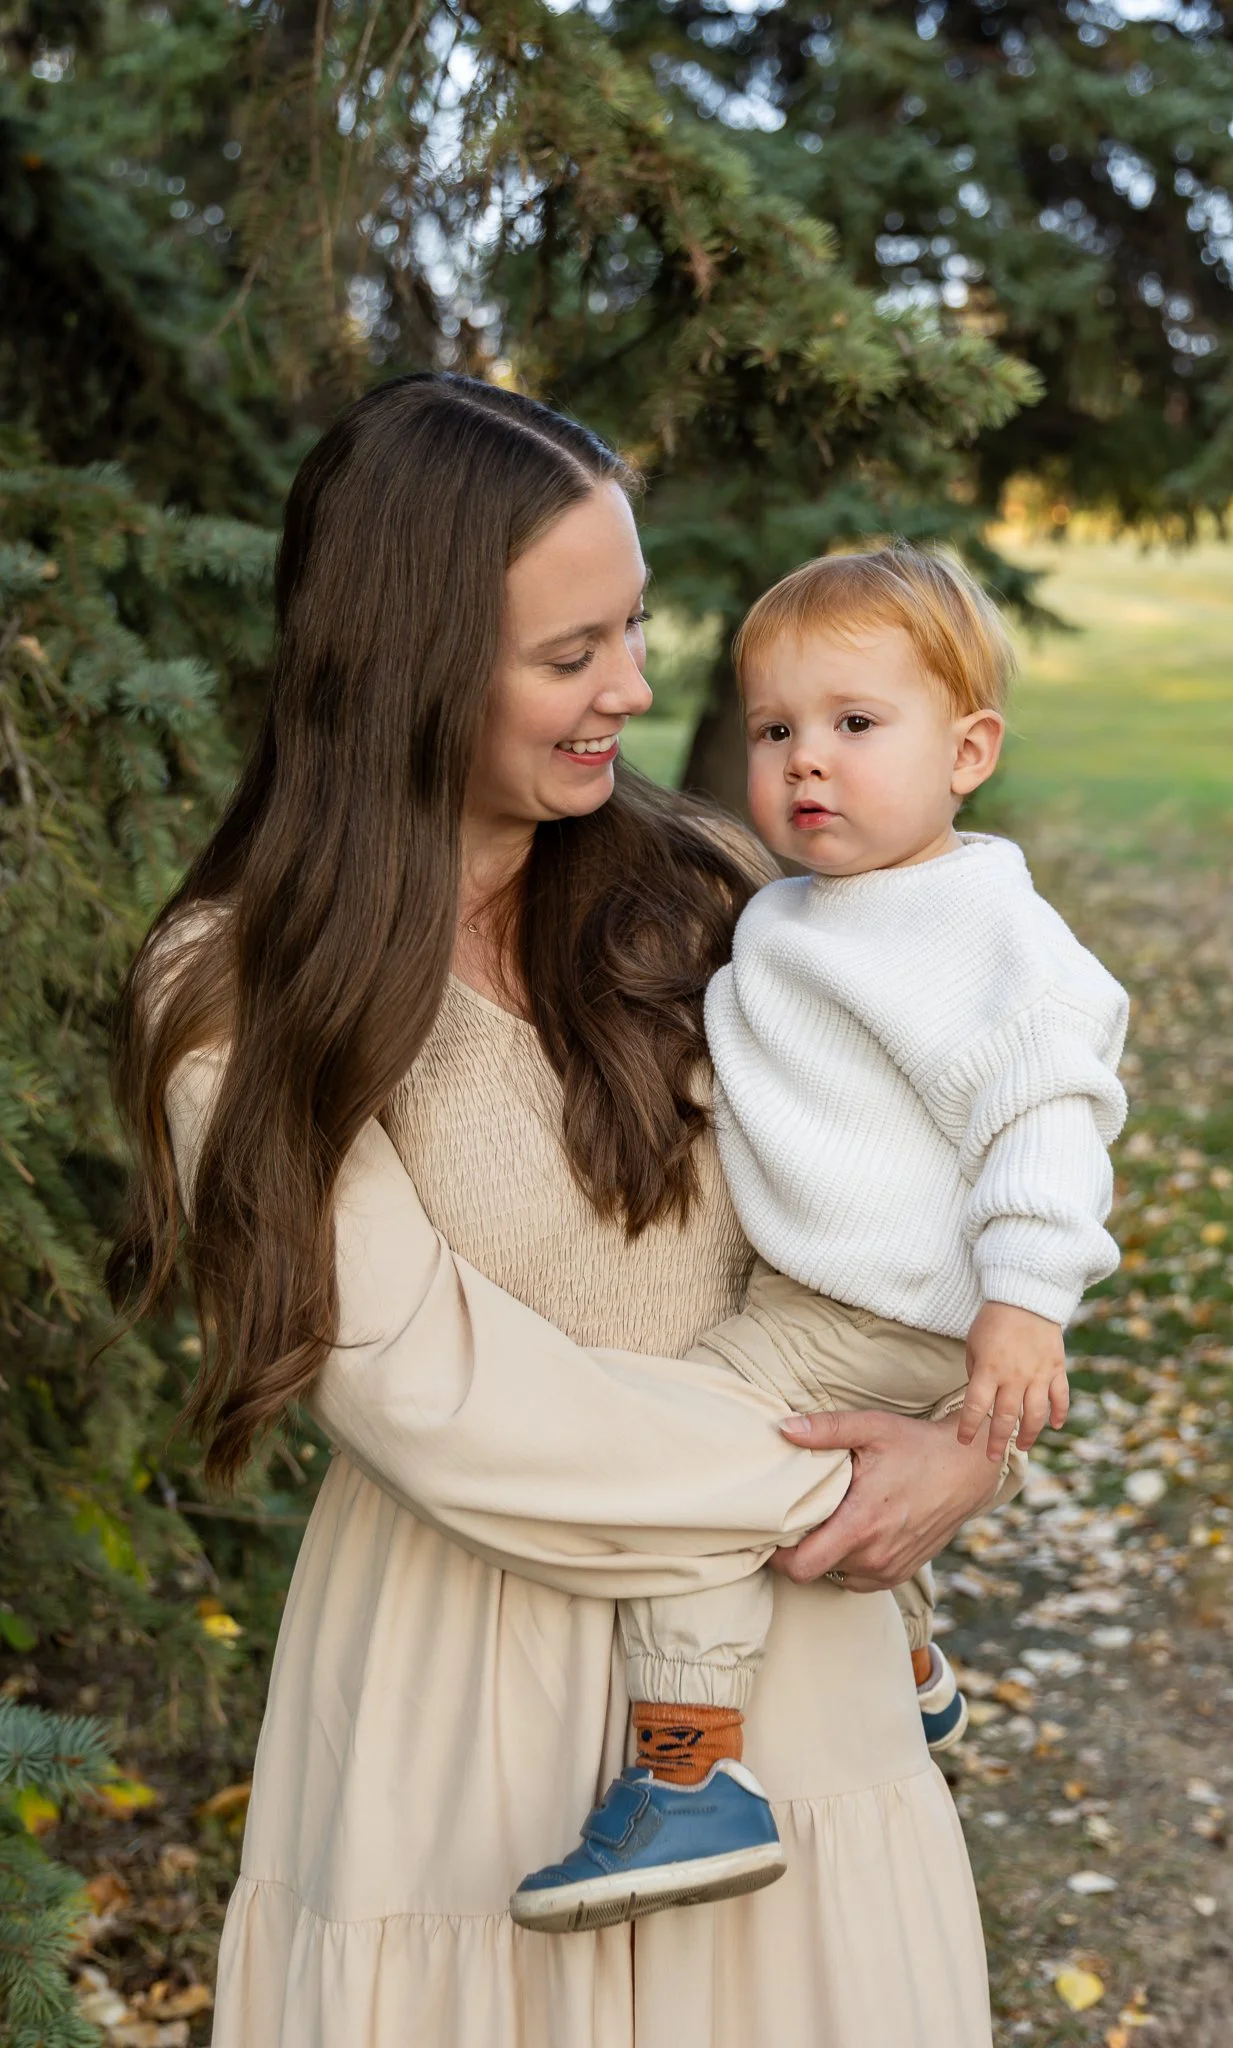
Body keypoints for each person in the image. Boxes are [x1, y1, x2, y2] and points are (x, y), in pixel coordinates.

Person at [106, 372, 1004, 2048]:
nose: (636, 689)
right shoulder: (243, 990)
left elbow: (933, 1190)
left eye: (635, 630)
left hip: (786, 1679)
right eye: (569, 653)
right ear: (411, 655)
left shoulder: (724, 899)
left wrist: (968, 1443)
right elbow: (438, 1400)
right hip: (468, 1675)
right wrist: (863, 1478)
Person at [511, 545, 1131, 1934]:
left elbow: (1048, 1108)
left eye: (858, 727)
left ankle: (690, 1773)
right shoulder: (800, 912)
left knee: (686, 1455)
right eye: (780, 729)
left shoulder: (980, 929)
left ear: (969, 749)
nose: (808, 763)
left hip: (883, 1312)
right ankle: (912, 1670)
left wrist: (1026, 1301)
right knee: (805, 1488)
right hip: (848, 1296)